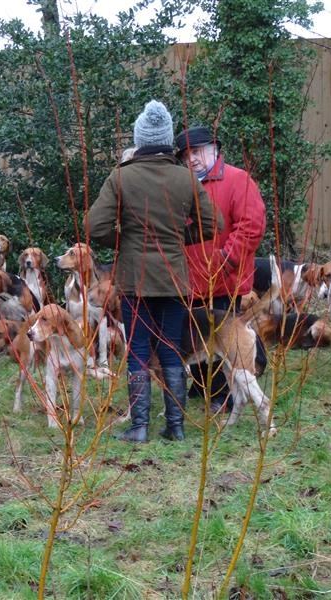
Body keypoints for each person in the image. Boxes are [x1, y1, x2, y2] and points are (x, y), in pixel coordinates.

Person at [88, 100, 221, 443]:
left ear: (140, 139)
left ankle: (140, 427)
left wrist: (125, 241)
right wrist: (177, 239)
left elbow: (95, 225)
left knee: (138, 350)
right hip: (174, 278)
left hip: (136, 280)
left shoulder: (122, 177)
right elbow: (213, 224)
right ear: (167, 140)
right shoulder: (185, 177)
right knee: (171, 348)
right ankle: (176, 427)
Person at [174, 126, 266, 414]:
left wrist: (226, 260)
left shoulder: (238, 180)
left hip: (224, 280)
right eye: (185, 155)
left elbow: (251, 226)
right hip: (188, 281)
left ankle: (223, 397)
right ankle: (204, 387)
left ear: (214, 149)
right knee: (194, 338)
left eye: (196, 151)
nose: (191, 158)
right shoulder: (182, 186)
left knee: (224, 340)